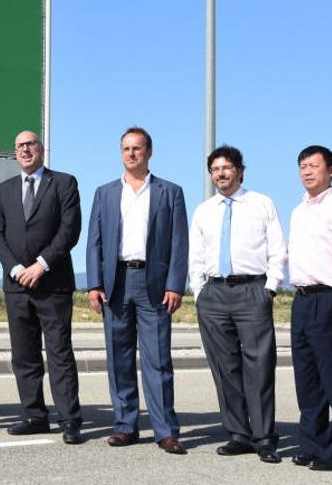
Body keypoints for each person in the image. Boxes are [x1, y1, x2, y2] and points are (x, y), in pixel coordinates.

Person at [86, 127, 188, 453]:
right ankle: (125, 425)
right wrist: (94, 284)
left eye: (137, 148)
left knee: (158, 360)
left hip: (153, 285)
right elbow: (95, 242)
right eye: (126, 149)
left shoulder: (170, 192)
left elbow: (178, 243)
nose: (131, 154)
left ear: (149, 152)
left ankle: (166, 431)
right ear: (121, 153)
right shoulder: (104, 193)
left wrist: (175, 284)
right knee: (120, 359)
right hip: (116, 282)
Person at [188, 145, 287, 463]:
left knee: (259, 367)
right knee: (224, 366)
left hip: (252, 291)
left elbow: (277, 249)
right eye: (215, 169)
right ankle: (237, 434)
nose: (220, 173)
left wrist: (270, 288)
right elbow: (196, 256)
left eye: (226, 168)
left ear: (240, 171)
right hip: (214, 294)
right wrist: (199, 293)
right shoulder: (204, 210)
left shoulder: (261, 204)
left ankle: (264, 437)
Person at [0, 130, 83, 445]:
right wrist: (17, 269)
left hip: (52, 283)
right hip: (17, 287)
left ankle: (70, 420)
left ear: (42, 149)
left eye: (31, 144)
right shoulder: (4, 190)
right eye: (20, 146)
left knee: (59, 354)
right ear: (14, 152)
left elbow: (69, 230)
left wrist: (41, 265)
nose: (25, 150)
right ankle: (34, 415)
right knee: (24, 355)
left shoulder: (64, 183)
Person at [287, 145, 332, 471]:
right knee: (308, 380)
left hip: (330, 299)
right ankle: (311, 444)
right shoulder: (298, 210)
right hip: (301, 300)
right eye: (302, 166)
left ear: (331, 170)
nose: (307, 171)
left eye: (314, 166)